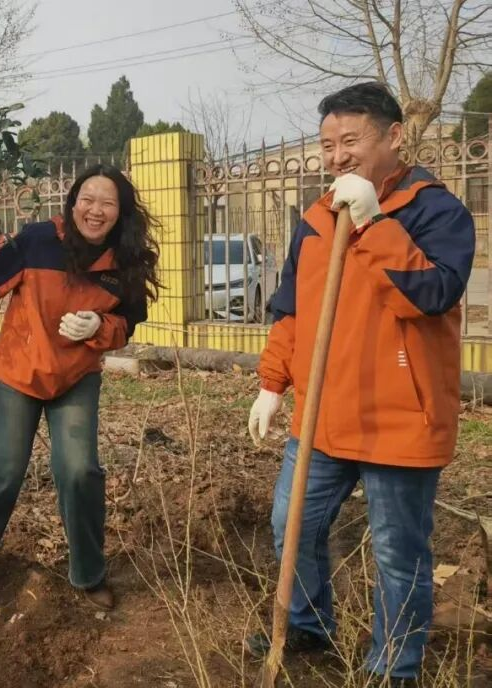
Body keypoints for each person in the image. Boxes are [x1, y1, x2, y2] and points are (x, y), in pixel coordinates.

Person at [245, 83, 475, 684]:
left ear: (394, 137)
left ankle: (392, 667)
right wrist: (273, 382)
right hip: (323, 413)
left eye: (350, 140)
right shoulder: (317, 217)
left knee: (399, 555)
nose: (337, 155)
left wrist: (374, 220)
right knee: (291, 524)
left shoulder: (436, 210)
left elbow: (432, 295)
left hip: (401, 418)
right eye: (327, 144)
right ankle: (308, 623)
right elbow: (292, 308)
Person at [0, 164, 158, 622]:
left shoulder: (125, 261)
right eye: (88, 199)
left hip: (74, 378)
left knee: (80, 470)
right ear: (72, 202)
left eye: (107, 202)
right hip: (16, 372)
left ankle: (89, 573)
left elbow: (127, 324)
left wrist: (99, 327)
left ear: (120, 211)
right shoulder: (39, 240)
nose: (96, 209)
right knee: (2, 471)